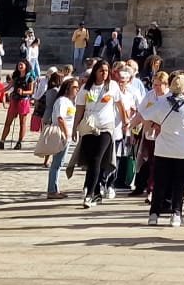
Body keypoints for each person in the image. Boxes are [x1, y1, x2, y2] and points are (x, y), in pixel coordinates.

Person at [142, 73, 184, 227]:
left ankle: (154, 214)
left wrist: (156, 125)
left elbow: (146, 115)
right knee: (179, 183)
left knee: (160, 182)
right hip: (182, 149)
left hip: (163, 148)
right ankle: (176, 213)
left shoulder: (161, 102)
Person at [74, 59, 128, 208]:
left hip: (105, 127)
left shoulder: (112, 86)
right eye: (101, 71)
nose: (104, 74)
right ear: (95, 72)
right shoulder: (86, 88)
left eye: (106, 71)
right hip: (89, 126)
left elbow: (120, 105)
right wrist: (75, 128)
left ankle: (90, 194)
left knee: (97, 158)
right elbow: (79, 109)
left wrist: (125, 122)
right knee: (92, 161)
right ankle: (96, 192)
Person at [39, 75, 78, 200]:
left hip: (68, 133)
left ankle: (55, 188)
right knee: (56, 163)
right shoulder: (62, 101)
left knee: (60, 163)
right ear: (68, 88)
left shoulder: (71, 101)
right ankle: (52, 190)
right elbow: (60, 118)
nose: (77, 89)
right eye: (75, 87)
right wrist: (67, 133)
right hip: (61, 134)